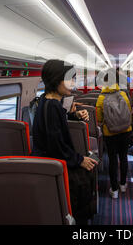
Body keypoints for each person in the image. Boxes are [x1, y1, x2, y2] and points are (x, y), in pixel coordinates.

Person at [32, 59, 98, 224]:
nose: (73, 83)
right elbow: (55, 145)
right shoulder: (52, 106)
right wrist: (79, 160)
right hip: (52, 166)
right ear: (56, 80)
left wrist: (74, 115)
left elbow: (54, 124)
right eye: (70, 79)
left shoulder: (47, 101)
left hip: (48, 163)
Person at [96, 68, 132, 199]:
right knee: (123, 157)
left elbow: (99, 119)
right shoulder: (123, 94)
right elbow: (128, 113)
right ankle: (123, 184)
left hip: (110, 134)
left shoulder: (101, 98)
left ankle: (114, 190)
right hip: (125, 132)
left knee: (112, 160)